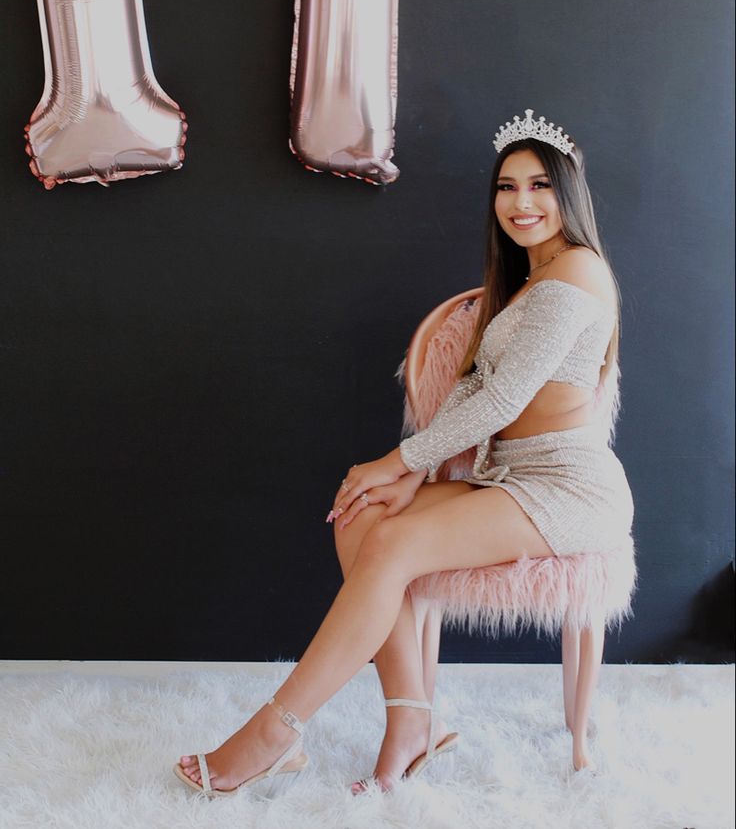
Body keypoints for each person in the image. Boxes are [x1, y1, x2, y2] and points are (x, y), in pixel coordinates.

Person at [175, 108, 635, 798]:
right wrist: (409, 472)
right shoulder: (526, 281)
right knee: (363, 519)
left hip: (568, 488)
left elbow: (501, 402)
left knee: (390, 541)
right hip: (506, 477)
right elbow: (471, 388)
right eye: (506, 189)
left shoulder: (578, 273)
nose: (521, 203)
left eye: (539, 186)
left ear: (568, 194)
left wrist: (396, 462)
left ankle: (277, 730)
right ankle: (412, 723)